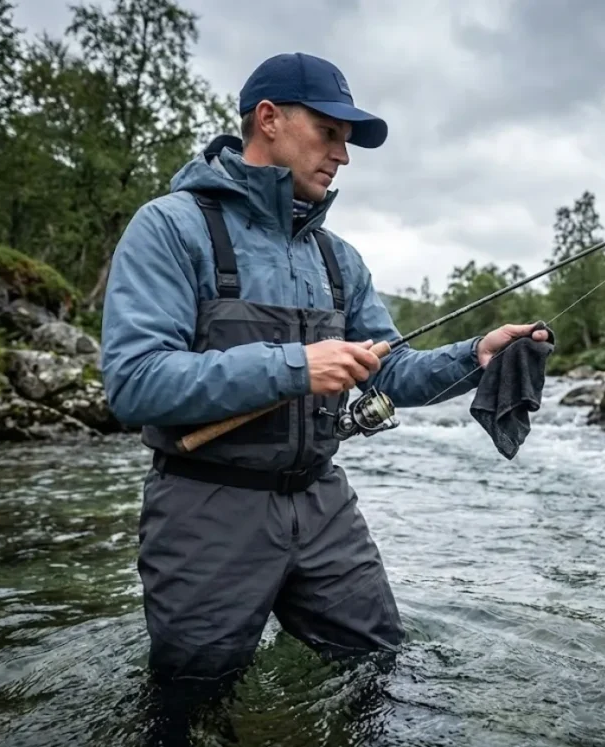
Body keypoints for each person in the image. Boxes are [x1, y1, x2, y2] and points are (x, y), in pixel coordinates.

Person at [100, 52, 549, 688]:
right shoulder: (170, 227)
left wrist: (475, 357)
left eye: (347, 140)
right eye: (329, 133)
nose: (342, 155)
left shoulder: (339, 260)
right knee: (191, 702)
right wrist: (294, 365)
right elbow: (134, 381)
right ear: (268, 119)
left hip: (323, 506)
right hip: (205, 509)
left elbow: (388, 373)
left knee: (380, 674)